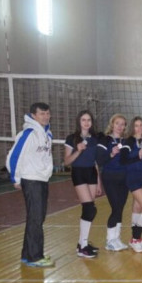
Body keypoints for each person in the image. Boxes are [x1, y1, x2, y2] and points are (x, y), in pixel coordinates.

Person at [6, 102, 54, 267]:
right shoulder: (28, 134)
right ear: (33, 115)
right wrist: (16, 178)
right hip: (31, 180)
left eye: (47, 113)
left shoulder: (47, 134)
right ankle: (35, 256)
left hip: (42, 179)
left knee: (37, 218)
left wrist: (47, 172)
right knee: (35, 218)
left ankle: (27, 254)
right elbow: (13, 157)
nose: (46, 117)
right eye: (42, 114)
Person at [63, 110, 101, 258]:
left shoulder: (95, 139)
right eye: (83, 120)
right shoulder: (72, 138)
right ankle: (82, 246)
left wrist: (99, 182)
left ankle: (82, 243)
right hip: (78, 172)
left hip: (91, 173)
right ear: (79, 121)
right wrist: (78, 151)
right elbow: (66, 162)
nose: (86, 122)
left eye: (89, 120)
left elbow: (95, 162)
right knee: (89, 208)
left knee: (90, 209)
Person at [96, 114, 129, 252]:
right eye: (117, 123)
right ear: (112, 124)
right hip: (110, 177)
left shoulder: (126, 141)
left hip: (124, 178)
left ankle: (116, 238)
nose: (120, 126)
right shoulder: (105, 139)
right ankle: (110, 240)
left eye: (122, 124)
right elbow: (99, 160)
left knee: (120, 208)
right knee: (115, 208)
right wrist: (111, 154)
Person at [120, 116, 142, 253]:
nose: (139, 128)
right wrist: (137, 155)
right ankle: (135, 238)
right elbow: (123, 160)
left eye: (141, 125)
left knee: (137, 208)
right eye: (136, 125)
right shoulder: (129, 141)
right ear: (132, 127)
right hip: (132, 178)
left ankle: (138, 239)